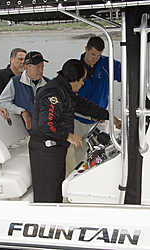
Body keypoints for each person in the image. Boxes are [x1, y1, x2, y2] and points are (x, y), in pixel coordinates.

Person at [29, 59, 118, 203]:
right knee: (47, 194)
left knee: (56, 188)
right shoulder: (52, 94)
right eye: (82, 80)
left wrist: (109, 117)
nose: (83, 83)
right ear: (72, 79)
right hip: (45, 150)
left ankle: (55, 216)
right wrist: (68, 136)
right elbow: (46, 124)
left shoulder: (65, 90)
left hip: (56, 147)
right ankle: (45, 220)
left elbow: (84, 106)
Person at [72, 36, 122, 165]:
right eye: (93, 54)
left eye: (98, 55)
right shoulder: (74, 68)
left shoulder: (107, 64)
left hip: (100, 119)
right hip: (79, 120)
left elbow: (128, 75)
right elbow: (70, 98)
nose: (95, 58)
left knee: (103, 154)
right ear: (86, 49)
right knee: (80, 157)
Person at [0, 51, 49, 133]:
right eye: (37, 67)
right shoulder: (15, 82)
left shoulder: (49, 84)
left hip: (47, 132)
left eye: (42, 67)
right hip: (25, 132)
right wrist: (21, 111)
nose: (41, 70)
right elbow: (1, 102)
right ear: (26, 67)